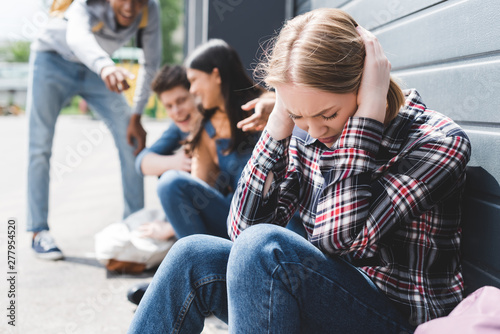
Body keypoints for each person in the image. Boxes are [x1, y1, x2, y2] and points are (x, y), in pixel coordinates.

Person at [128, 8, 472, 333]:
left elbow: (339, 240)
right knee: (192, 256)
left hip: (395, 320)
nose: (316, 130)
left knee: (265, 248)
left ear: (365, 82)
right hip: (318, 299)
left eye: (327, 115)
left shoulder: (437, 143)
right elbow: (242, 229)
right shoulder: (305, 132)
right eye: (298, 115)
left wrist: (366, 119)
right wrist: (279, 125)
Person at [27, 0, 161, 260]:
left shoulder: (150, 9)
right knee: (39, 145)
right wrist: (104, 65)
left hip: (96, 68)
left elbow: (151, 63)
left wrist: (137, 114)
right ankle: (38, 230)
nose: (131, 8)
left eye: (139, 1)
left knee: (130, 136)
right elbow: (77, 36)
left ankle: (134, 225)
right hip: (53, 60)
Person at [154, 39, 264, 239]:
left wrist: (272, 107)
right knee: (170, 183)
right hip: (236, 221)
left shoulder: (264, 107)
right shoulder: (206, 128)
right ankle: (204, 262)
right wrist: (170, 226)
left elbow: (278, 103)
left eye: (194, 80)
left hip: (274, 221)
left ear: (216, 75)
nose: (193, 90)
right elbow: (198, 190)